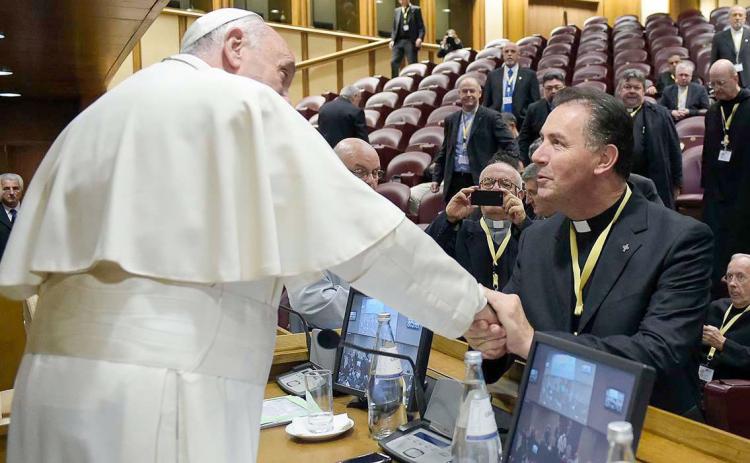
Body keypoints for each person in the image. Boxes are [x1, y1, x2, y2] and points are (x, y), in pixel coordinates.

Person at [0, 10, 498, 463]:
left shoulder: (97, 115)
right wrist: (473, 308)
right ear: (235, 46)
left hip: (46, 394)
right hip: (155, 403)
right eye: (283, 74)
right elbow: (369, 240)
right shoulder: (237, 100)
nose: (283, 97)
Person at [466, 87, 714, 418]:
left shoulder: (682, 239)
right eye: (541, 140)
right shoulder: (536, 238)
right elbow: (507, 332)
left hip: (645, 430)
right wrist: (489, 340)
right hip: (550, 419)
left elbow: (658, 353)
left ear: (604, 159)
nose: (537, 155)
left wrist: (533, 344)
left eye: (557, 143)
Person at [287, 138, 382, 330]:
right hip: (327, 346)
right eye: (360, 172)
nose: (371, 181)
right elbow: (312, 299)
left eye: (375, 173)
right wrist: (383, 309)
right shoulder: (306, 224)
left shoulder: (379, 219)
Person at [426, 155, 529, 291]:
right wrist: (448, 217)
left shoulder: (530, 233)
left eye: (505, 184)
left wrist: (524, 224)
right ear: (478, 189)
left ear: (520, 195)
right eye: (488, 183)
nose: (495, 188)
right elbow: (424, 254)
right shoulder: (458, 231)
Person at [701, 60, 750, 296]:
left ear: (735, 79)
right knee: (717, 243)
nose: (716, 89)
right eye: (713, 84)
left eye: (721, 83)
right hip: (717, 191)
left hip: (744, 189)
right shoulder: (712, 111)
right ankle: (719, 291)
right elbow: (708, 151)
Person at [430, 76, 517, 201]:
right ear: (459, 94)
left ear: (480, 93)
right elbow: (445, 151)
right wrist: (436, 179)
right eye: (465, 91)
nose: (468, 94)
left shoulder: (491, 117)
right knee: (454, 216)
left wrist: (493, 164)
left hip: (480, 179)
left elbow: (510, 145)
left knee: (479, 218)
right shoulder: (451, 119)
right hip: (454, 180)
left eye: (472, 91)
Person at [617, 69, 682, 208]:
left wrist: (677, 182)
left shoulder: (661, 114)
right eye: (627, 87)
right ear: (620, 90)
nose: (632, 91)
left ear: (644, 91)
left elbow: (674, 149)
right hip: (619, 183)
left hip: (656, 182)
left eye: (637, 87)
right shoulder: (610, 116)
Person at [701, 254, 750, 381]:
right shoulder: (716, 307)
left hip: (736, 393)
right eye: (729, 276)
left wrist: (723, 343)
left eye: (740, 277)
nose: (732, 283)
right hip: (700, 384)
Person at [484, 42, 540, 129]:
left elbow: (535, 102)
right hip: (497, 121)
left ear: (518, 55)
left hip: (521, 122)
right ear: (503, 55)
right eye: (506, 52)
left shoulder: (529, 75)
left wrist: (526, 116)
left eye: (513, 51)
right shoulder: (492, 75)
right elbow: (486, 102)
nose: (509, 54)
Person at [518, 70, 565, 164]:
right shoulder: (534, 108)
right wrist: (522, 160)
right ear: (543, 89)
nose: (553, 91)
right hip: (539, 158)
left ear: (564, 87)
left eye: (557, 87)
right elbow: (524, 138)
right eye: (549, 88)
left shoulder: (572, 107)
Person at [711, 5, 750, 88]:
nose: (737, 18)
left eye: (740, 15)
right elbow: (714, 62)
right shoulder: (719, 38)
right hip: (726, 83)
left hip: (748, 81)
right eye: (734, 15)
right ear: (729, 18)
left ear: (745, 18)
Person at [389, 0, 425, 78]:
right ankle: (394, 81)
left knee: (412, 64)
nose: (401, 1)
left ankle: (414, 82)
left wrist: (420, 38)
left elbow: (421, 27)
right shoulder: (397, 11)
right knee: (393, 62)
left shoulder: (416, 9)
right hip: (398, 41)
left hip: (410, 40)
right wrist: (392, 39)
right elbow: (394, 27)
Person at [0, 173, 23, 261]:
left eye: (15, 188)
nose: (12, 193)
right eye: (6, 189)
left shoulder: (33, 210)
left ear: (21, 190)